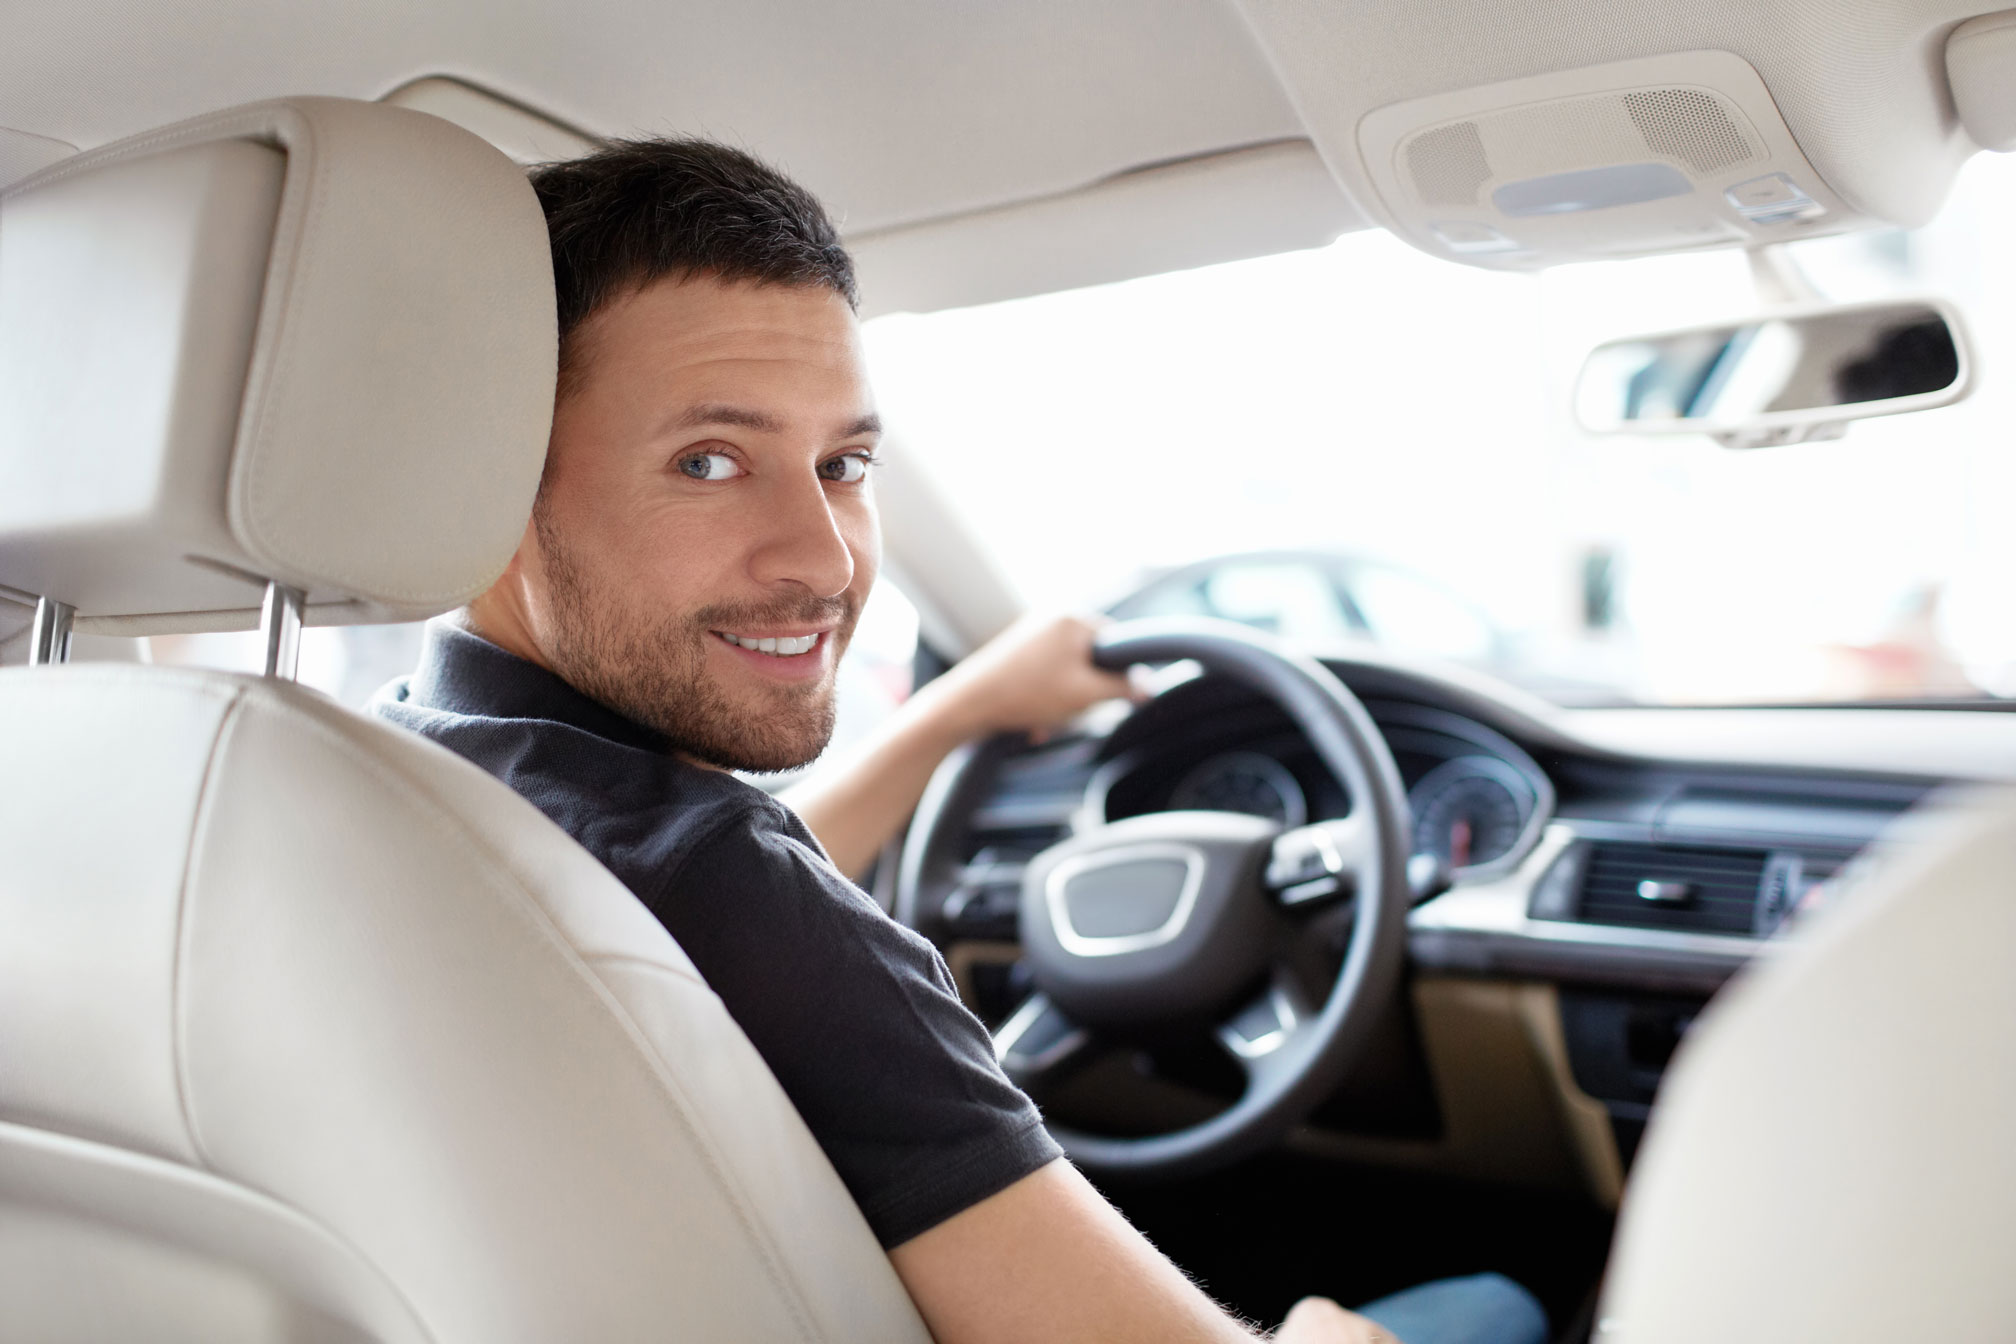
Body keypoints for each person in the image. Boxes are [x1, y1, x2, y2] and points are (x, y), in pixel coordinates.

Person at [373, 138, 1548, 1344]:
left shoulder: (386, 777)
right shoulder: (739, 901)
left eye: (845, 464)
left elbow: (700, 917)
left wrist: (956, 711)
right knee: (1497, 1300)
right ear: (492, 478)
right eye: (709, 461)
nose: (826, 561)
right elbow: (741, 902)